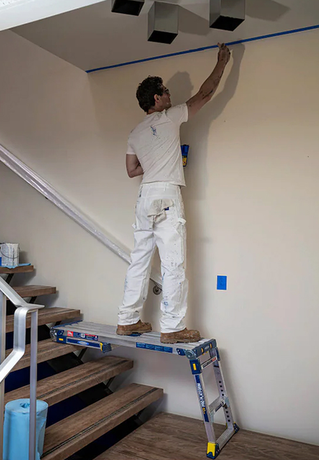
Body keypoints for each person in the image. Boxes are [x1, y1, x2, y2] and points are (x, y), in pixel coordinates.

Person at [117, 43, 232, 344]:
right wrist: (221, 63)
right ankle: (172, 327)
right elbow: (205, 94)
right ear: (157, 99)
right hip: (166, 195)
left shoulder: (135, 132)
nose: (170, 96)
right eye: (166, 92)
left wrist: (154, 161)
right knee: (173, 262)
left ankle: (127, 320)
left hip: (145, 196)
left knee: (139, 259)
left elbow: (131, 170)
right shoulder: (169, 117)